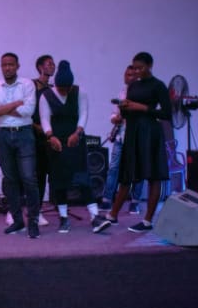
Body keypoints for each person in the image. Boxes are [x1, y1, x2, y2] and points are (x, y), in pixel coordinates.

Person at [93, 52, 172, 233]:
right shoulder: (133, 86)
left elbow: (166, 113)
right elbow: (127, 114)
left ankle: (147, 220)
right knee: (126, 174)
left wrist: (142, 107)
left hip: (150, 133)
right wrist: (124, 108)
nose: (136, 71)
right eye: (134, 68)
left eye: (140, 68)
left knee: (153, 176)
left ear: (150, 66)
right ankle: (112, 215)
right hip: (133, 132)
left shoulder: (158, 85)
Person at [39, 60, 101, 233]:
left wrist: (78, 132)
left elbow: (84, 113)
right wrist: (50, 136)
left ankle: (95, 217)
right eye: (61, 88)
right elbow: (44, 119)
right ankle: (64, 218)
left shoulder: (80, 92)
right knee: (59, 180)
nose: (64, 91)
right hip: (56, 142)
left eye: (67, 88)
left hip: (76, 139)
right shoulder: (46, 96)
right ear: (56, 84)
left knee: (83, 177)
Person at [0, 53, 41, 238]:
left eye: (11, 64)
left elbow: (28, 111)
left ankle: (33, 221)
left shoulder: (27, 84)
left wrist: (2, 109)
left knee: (29, 178)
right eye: (4, 65)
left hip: (24, 134)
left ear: (17, 66)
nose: (7, 68)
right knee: (10, 179)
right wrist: (16, 104)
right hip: (3, 135)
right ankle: (17, 221)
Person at [99, 65, 144, 214]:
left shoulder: (143, 95)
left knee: (137, 170)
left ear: (137, 77)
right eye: (126, 74)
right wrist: (116, 118)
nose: (126, 77)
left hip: (137, 137)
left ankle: (135, 202)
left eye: (130, 75)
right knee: (113, 168)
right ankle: (107, 200)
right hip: (121, 137)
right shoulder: (122, 93)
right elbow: (113, 115)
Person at [32, 55, 55, 226]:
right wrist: (36, 127)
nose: (52, 66)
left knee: (44, 174)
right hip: (33, 135)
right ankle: (16, 211)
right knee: (31, 175)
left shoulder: (53, 89)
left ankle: (38, 210)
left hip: (49, 136)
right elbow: (28, 111)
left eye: (53, 64)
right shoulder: (32, 86)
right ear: (40, 67)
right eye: (49, 64)